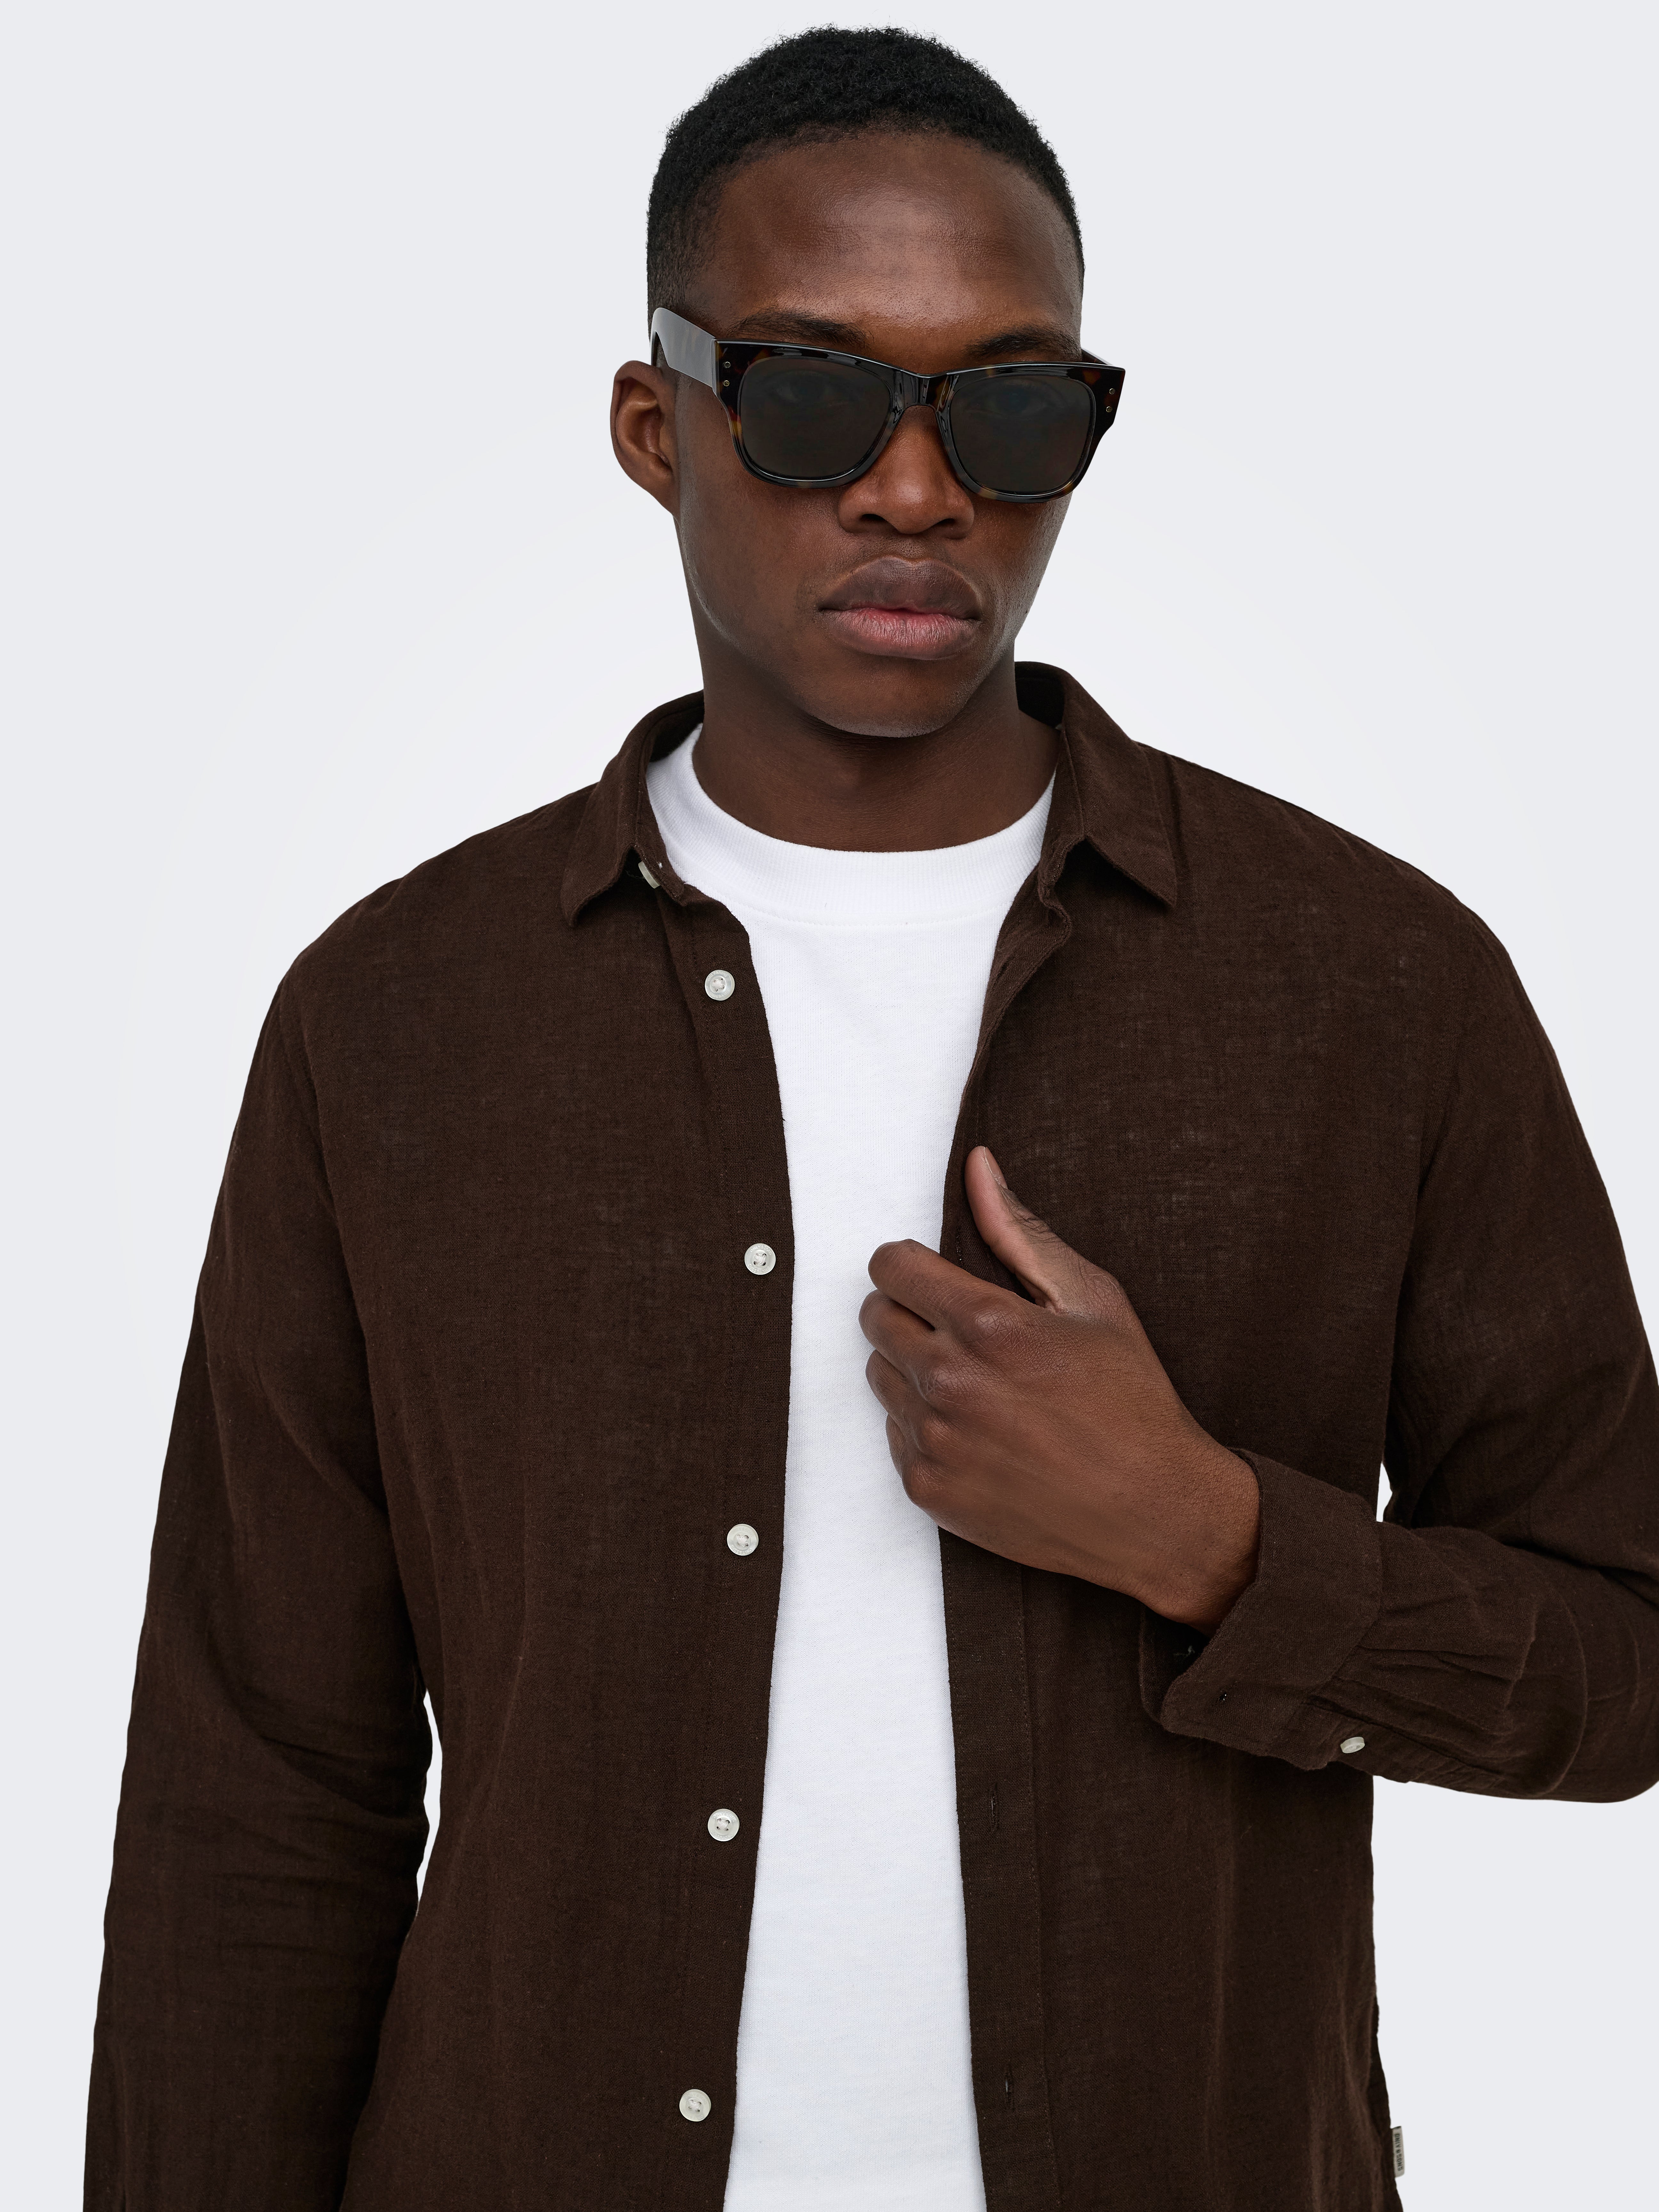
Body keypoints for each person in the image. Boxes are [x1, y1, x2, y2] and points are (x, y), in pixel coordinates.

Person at [87, 26, 1659, 2212]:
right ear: (658, 427)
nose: (916, 492)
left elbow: (1622, 1661)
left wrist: (1212, 1539)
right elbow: (258, 1800)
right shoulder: (397, 1021)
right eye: (811, 398)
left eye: (1006, 410)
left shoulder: (1372, 986)